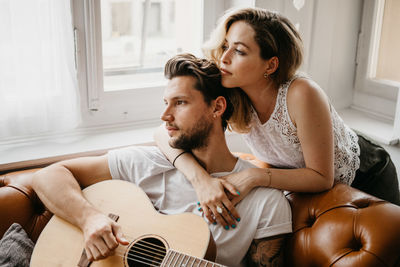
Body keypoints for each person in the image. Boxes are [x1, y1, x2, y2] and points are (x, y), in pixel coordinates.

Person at [32, 54, 292, 267]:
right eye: (166, 103)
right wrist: (89, 219)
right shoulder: (147, 162)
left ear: (217, 107)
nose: (165, 115)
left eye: (179, 103)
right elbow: (48, 176)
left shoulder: (266, 202)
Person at [154, 7, 400, 225]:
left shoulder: (302, 93)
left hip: (368, 174)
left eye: (239, 51)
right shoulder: (229, 88)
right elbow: (162, 133)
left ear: (270, 66)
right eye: (225, 46)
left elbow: (322, 177)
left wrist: (254, 176)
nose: (224, 58)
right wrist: (201, 181)